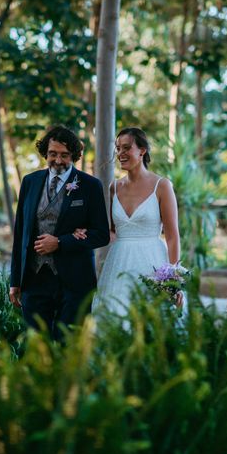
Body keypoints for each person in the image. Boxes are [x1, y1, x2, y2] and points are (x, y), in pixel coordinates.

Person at [9, 125, 110, 339]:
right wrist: (15, 280)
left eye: (65, 155)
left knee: (69, 349)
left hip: (75, 282)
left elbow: (101, 233)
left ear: (74, 156)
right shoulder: (30, 182)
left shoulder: (90, 186)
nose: (58, 160)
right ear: (46, 153)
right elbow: (20, 234)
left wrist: (61, 242)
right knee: (36, 348)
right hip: (34, 280)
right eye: (53, 154)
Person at [87, 127, 181, 317]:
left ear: (142, 150)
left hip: (152, 262)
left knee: (151, 319)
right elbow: (113, 231)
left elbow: (172, 237)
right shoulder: (114, 187)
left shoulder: (162, 186)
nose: (121, 153)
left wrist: (172, 279)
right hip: (118, 264)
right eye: (118, 148)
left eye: (126, 148)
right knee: (114, 317)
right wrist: (85, 232)